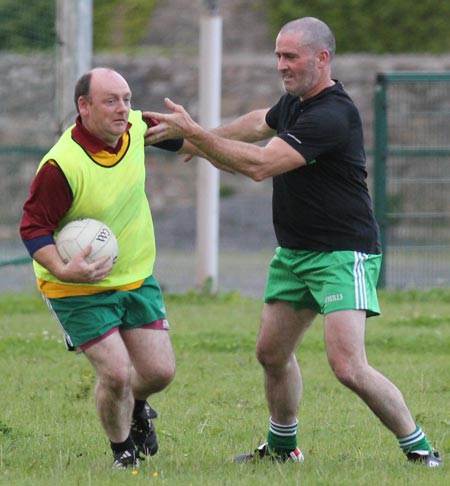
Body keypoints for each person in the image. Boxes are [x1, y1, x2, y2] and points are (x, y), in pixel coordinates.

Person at [143, 17, 442, 467]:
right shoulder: (295, 103)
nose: (281, 65)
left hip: (343, 253)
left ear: (322, 59)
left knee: (348, 367)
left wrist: (199, 137)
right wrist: (202, 137)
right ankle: (283, 449)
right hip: (295, 253)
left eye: (291, 57)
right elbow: (258, 124)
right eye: (279, 56)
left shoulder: (331, 114)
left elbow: (261, 165)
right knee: (271, 353)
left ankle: (420, 448)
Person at [20, 67, 181, 469]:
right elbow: (33, 228)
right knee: (117, 374)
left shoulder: (139, 128)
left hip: (135, 276)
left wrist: (233, 140)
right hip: (75, 286)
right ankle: (123, 451)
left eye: (127, 99)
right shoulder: (62, 165)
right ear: (84, 106)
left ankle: (137, 408)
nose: (123, 109)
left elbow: (193, 138)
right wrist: (63, 268)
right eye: (111, 101)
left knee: (159, 372)